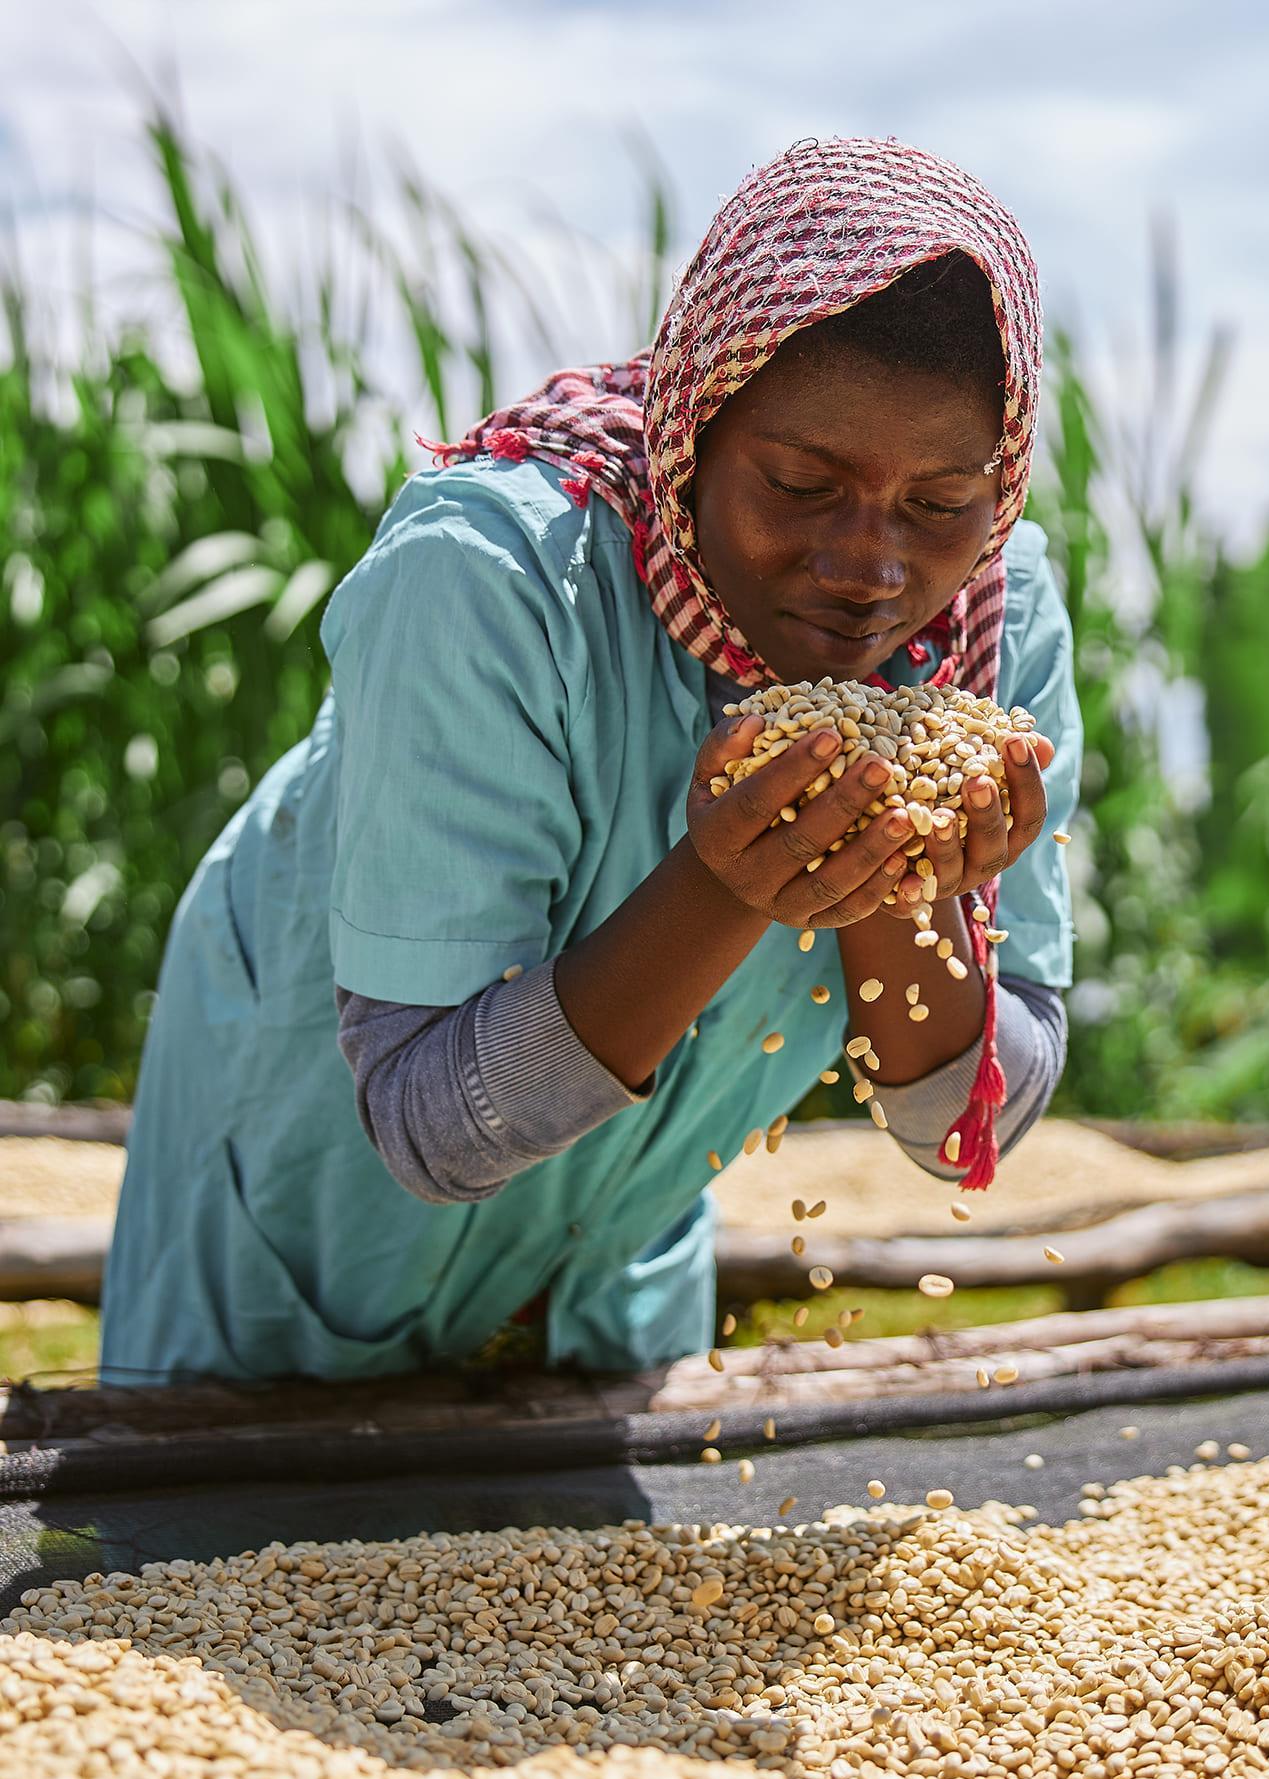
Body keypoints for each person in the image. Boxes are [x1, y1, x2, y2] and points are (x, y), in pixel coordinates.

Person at [98, 137, 1084, 1387]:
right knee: (222, 1557)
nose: (870, 567)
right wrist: (724, 886)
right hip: (305, 1243)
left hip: (614, 1263)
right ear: (690, 436)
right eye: (799, 484)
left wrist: (908, 888)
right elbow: (432, 1130)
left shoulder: (990, 630)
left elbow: (964, 1136)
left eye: (941, 506)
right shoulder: (490, 578)